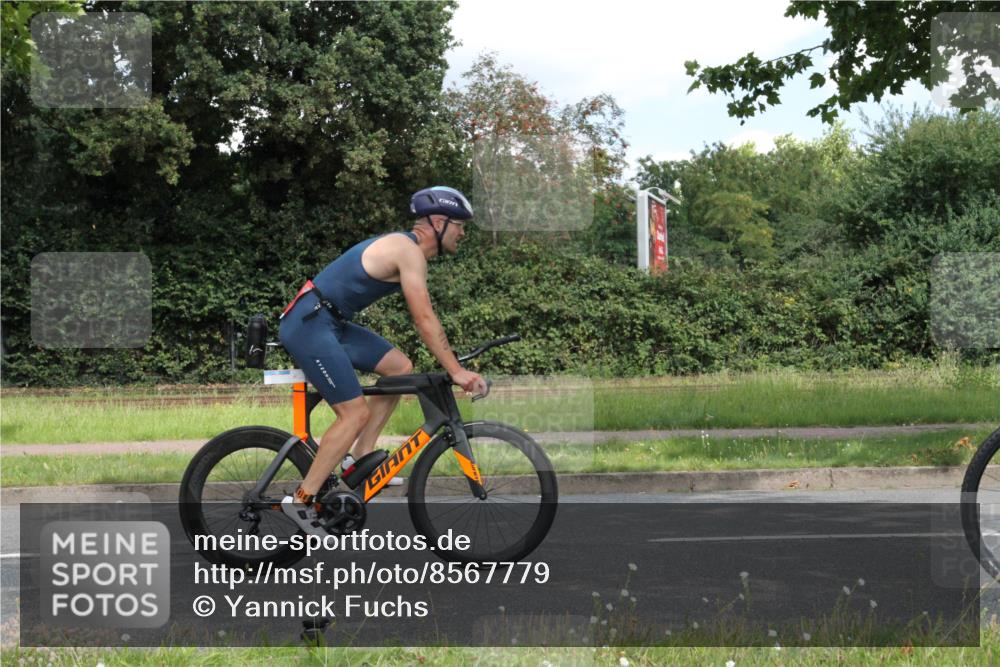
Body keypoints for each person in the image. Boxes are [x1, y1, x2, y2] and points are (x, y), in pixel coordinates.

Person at [277, 186, 487, 535]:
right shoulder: (408, 252)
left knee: (399, 368)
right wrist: (456, 371)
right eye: (460, 224)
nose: (463, 232)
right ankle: (301, 500)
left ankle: (360, 458)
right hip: (309, 324)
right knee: (354, 412)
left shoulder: (408, 250)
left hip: (330, 322)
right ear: (438, 222)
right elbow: (424, 319)